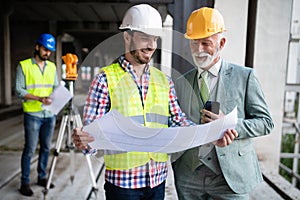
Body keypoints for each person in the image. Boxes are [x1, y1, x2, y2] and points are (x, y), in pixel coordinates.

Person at [72, 4, 238, 200]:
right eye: (144, 38)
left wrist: (210, 136)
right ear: (127, 37)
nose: (151, 45)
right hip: (123, 183)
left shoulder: (164, 80)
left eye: (155, 39)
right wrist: (83, 142)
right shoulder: (105, 79)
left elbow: (178, 121)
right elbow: (92, 134)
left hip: (157, 180)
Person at [172, 7, 274, 200]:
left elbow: (266, 123)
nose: (199, 49)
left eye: (206, 43)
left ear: (222, 43)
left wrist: (228, 124)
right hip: (188, 177)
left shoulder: (245, 77)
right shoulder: (179, 83)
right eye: (194, 43)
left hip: (230, 177)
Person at [15, 33, 58, 196]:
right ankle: (24, 182)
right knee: (30, 149)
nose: (47, 53)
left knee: (46, 148)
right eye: (45, 49)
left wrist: (57, 96)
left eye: (50, 50)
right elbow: (19, 90)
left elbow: (54, 87)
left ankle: (42, 177)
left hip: (49, 114)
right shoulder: (24, 66)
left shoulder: (52, 67)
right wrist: (39, 98)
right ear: (37, 47)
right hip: (33, 114)